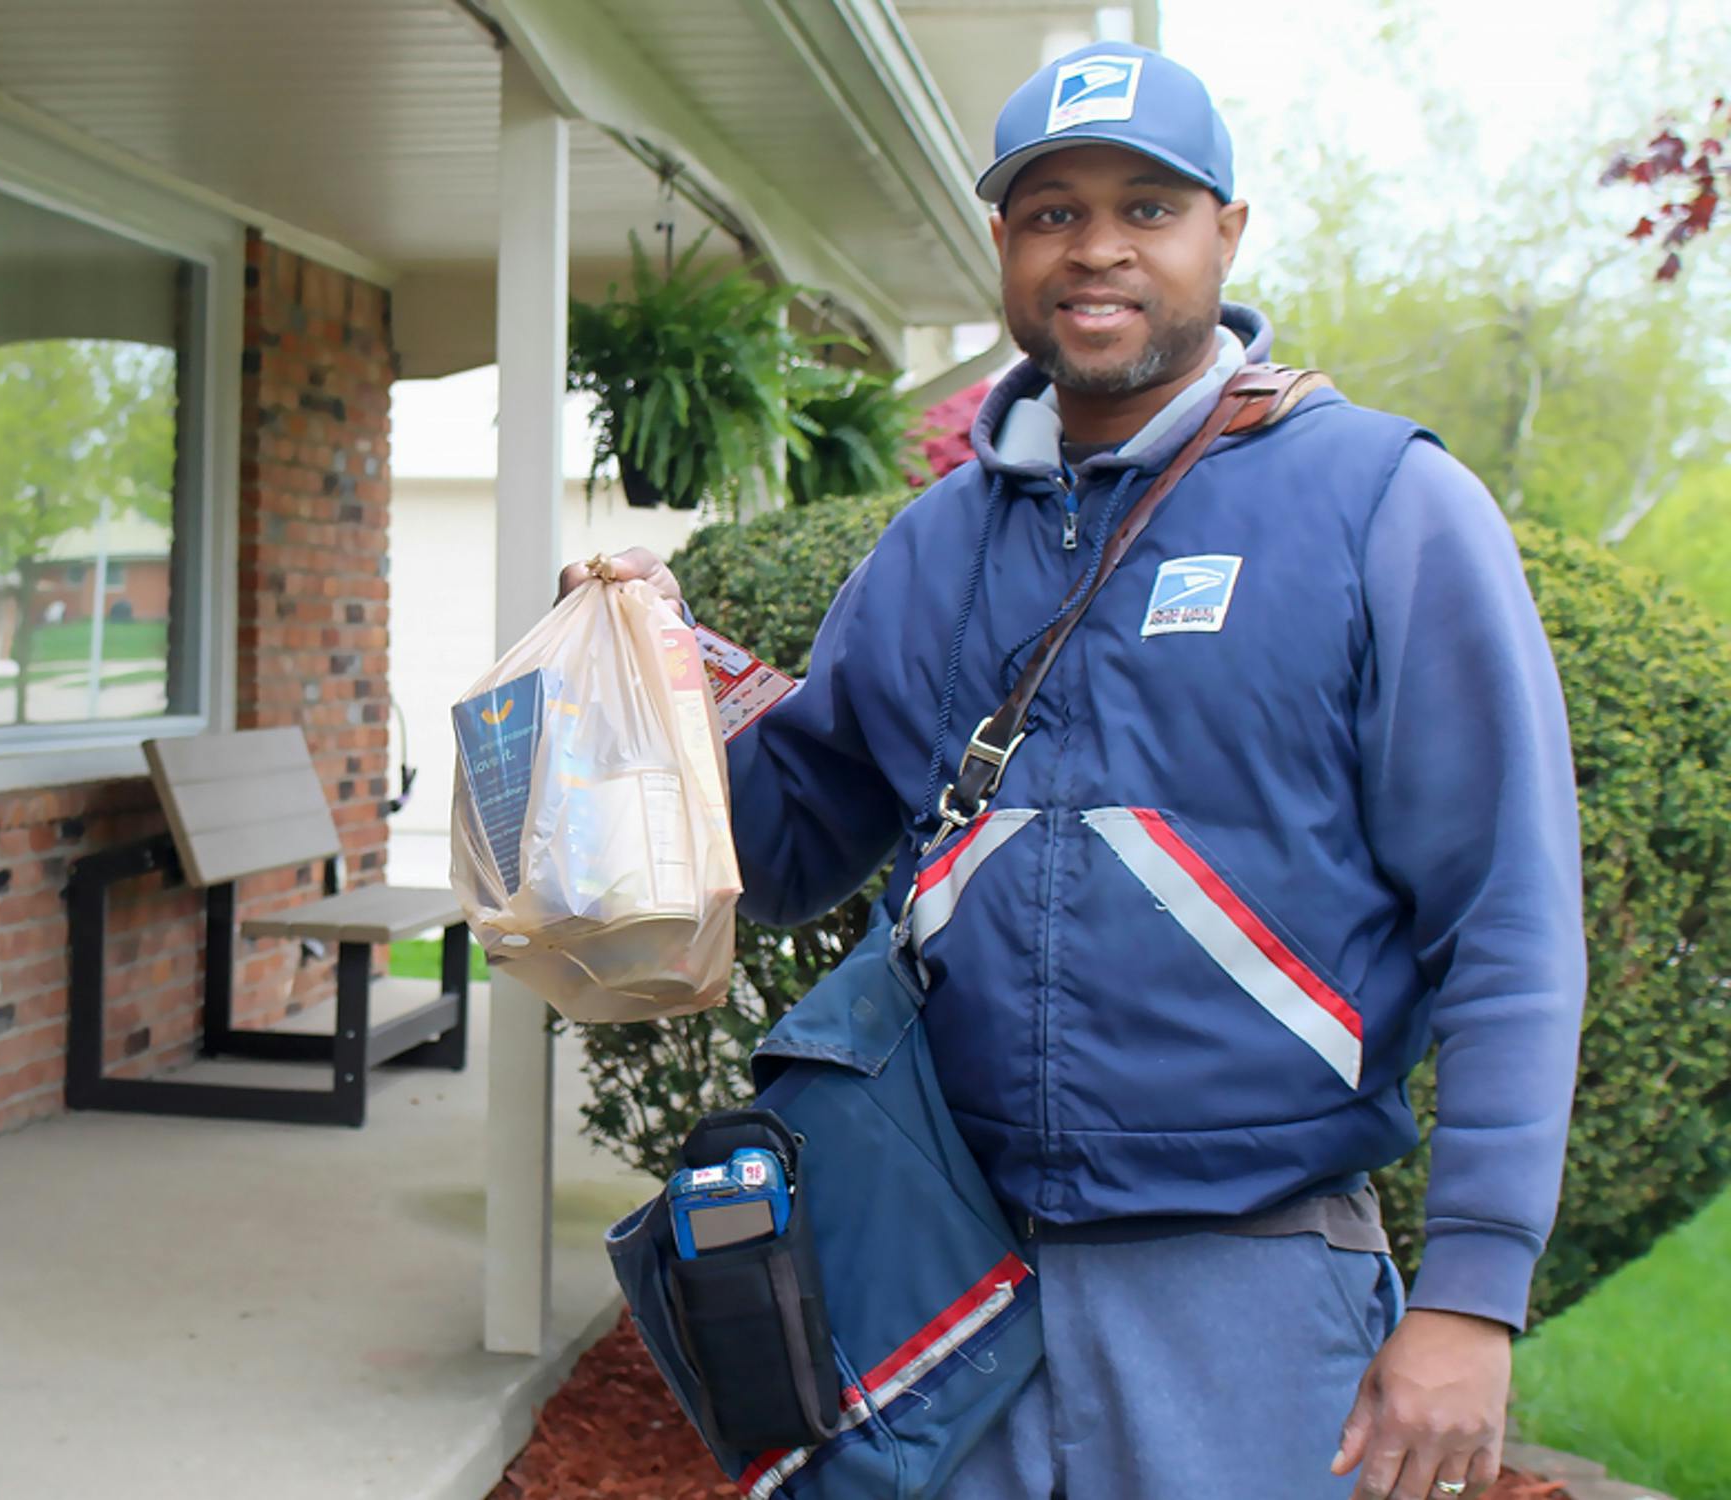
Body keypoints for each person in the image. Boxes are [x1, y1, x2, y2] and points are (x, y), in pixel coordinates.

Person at [561, 41, 1583, 1500]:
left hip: (1243, 1280)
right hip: (942, 1262)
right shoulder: (933, 547)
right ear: (1004, 246)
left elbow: (1510, 921)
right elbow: (790, 849)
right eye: (1051, 212)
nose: (1096, 248)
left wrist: (1473, 1295)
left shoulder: (1382, 507)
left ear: (1225, 234)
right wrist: (654, 683)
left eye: (1146, 207)